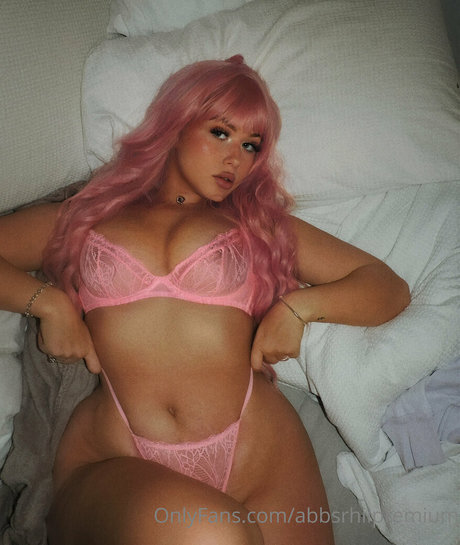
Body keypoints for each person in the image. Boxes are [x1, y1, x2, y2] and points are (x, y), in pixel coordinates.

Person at [0, 55, 410, 545]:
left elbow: (387, 287)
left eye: (250, 145)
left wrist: (297, 308)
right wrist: (48, 303)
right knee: (214, 533)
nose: (235, 158)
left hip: (261, 457)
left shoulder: (257, 226)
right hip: (119, 456)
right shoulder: (87, 218)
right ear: (175, 126)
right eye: (221, 133)